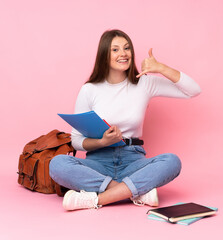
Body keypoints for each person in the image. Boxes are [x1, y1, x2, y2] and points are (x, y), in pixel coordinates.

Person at [49, 29, 201, 211]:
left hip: (133, 161)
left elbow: (193, 90)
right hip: (98, 163)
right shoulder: (89, 89)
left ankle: (97, 199)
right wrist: (102, 141)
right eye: (115, 50)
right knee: (57, 164)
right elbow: (76, 141)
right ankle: (135, 191)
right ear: (104, 55)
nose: (123, 53)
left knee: (172, 161)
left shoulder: (144, 83)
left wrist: (161, 68)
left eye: (126, 48)